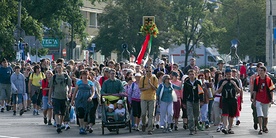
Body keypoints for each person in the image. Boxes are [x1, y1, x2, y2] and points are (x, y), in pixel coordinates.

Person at [48, 64, 72, 134]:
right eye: (57, 68)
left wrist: (70, 92)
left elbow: (70, 85)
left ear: (62, 68)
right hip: (56, 97)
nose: (58, 69)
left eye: (60, 68)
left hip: (64, 97)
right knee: (56, 112)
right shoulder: (54, 77)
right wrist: (49, 98)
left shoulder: (65, 76)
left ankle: (60, 124)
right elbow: (51, 88)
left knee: (63, 113)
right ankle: (58, 124)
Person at [217, 68, 241, 134]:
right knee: (225, 113)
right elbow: (218, 92)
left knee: (231, 115)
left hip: (233, 99)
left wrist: (235, 85)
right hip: (225, 99)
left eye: (229, 74)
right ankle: (224, 127)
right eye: (227, 74)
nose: (228, 75)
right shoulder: (222, 81)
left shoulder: (235, 80)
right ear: (225, 74)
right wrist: (222, 85)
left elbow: (239, 91)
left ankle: (229, 128)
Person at [71, 70, 95, 135]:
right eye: (84, 75)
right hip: (80, 99)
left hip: (87, 100)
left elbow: (93, 92)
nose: (85, 76)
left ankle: (84, 127)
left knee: (86, 114)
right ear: (82, 76)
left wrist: (91, 97)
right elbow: (75, 92)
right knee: (81, 112)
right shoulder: (79, 82)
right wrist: (72, 100)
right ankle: (81, 127)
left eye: (86, 75)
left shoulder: (90, 82)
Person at [252, 66, 275, 135]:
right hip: (259, 99)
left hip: (266, 100)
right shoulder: (256, 80)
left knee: (265, 115)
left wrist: (272, 99)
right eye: (259, 70)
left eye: (262, 71)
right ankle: (260, 128)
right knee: (259, 114)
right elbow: (255, 91)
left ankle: (265, 126)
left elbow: (271, 90)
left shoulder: (269, 80)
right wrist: (254, 100)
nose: (260, 72)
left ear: (265, 72)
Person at [183, 69, 204, 135]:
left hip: (196, 101)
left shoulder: (198, 82)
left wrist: (201, 100)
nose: (191, 76)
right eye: (190, 74)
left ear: (195, 74)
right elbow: (185, 93)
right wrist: (184, 102)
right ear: (188, 75)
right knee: (190, 115)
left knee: (196, 115)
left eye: (193, 74)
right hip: (189, 101)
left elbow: (201, 92)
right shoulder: (186, 83)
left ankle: (195, 127)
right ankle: (191, 129)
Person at [139, 65, 158, 135]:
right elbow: (140, 88)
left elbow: (156, 89)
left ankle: (150, 129)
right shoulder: (142, 78)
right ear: (145, 71)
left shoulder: (154, 78)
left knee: (151, 114)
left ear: (152, 71)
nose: (148, 72)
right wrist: (146, 88)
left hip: (152, 98)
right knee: (143, 113)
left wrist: (150, 84)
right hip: (144, 98)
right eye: (147, 71)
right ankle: (144, 124)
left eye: (150, 71)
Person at [250, 62, 263, 130]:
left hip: (264, 97)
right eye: (260, 68)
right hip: (256, 96)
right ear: (257, 68)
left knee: (263, 111)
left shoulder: (266, 77)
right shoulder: (254, 77)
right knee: (255, 110)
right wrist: (252, 96)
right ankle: (256, 122)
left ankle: (263, 125)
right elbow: (252, 87)